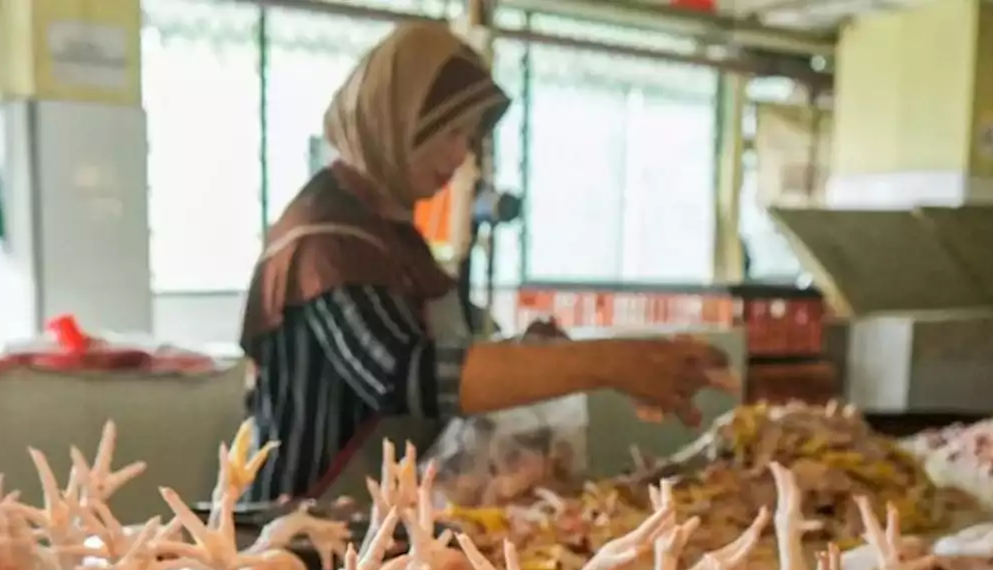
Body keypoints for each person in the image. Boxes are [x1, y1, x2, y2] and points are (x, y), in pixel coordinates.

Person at [238, 22, 729, 503]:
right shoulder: (326, 239)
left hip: (369, 524)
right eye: (451, 132)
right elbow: (408, 377)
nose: (461, 156)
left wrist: (532, 353)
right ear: (398, 118)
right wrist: (607, 363)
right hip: (297, 528)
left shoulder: (390, 233)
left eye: (469, 138)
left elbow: (446, 354)